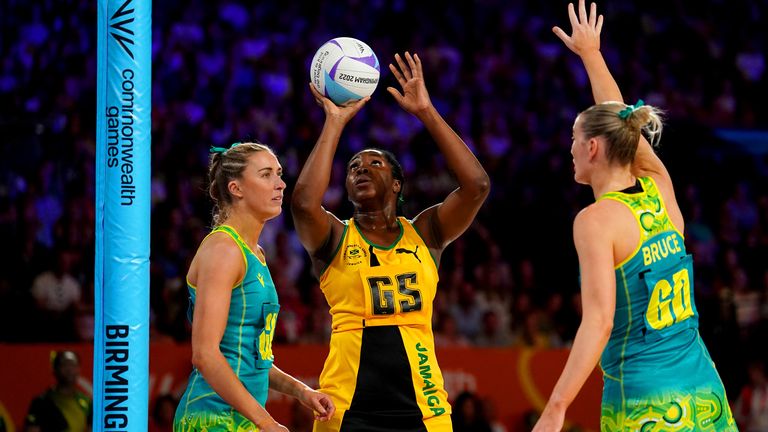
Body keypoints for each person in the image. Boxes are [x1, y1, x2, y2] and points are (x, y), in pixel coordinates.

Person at [533, 2, 738, 431]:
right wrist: (592, 54)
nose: (569, 147)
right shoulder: (661, 191)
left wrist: (556, 407)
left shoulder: (595, 221)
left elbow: (600, 320)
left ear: (591, 148)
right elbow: (624, 121)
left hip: (644, 400)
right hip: (705, 392)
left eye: (574, 138)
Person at [292, 52, 490, 432]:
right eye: (353, 168)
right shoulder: (334, 236)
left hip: (425, 407)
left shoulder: (426, 232)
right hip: (346, 407)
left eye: (374, 164)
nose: (361, 169)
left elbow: (477, 186)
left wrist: (426, 112)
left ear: (397, 184)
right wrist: (334, 122)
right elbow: (303, 204)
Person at [173, 142, 335, 432]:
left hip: (241, 420)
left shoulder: (255, 253)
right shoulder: (224, 249)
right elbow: (205, 355)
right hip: (210, 418)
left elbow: (250, 358)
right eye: (266, 175)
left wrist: (302, 392)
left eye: (279, 173)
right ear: (236, 188)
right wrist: (266, 421)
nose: (281, 184)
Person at [24, 350, 92, 432]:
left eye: (73, 365)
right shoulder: (41, 402)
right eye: (64, 365)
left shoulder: (87, 402)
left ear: (79, 369)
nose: (69, 369)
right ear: (55, 370)